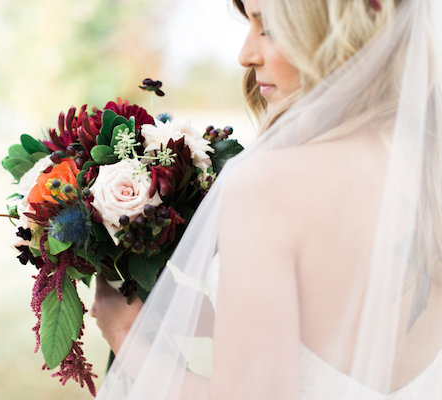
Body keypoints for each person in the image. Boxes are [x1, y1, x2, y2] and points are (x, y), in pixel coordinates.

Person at [92, 0, 442, 398]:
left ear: (337, 28)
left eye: (268, 27)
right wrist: (181, 313)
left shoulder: (267, 185)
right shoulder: (426, 169)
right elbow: (341, 328)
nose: (246, 54)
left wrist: (124, 336)